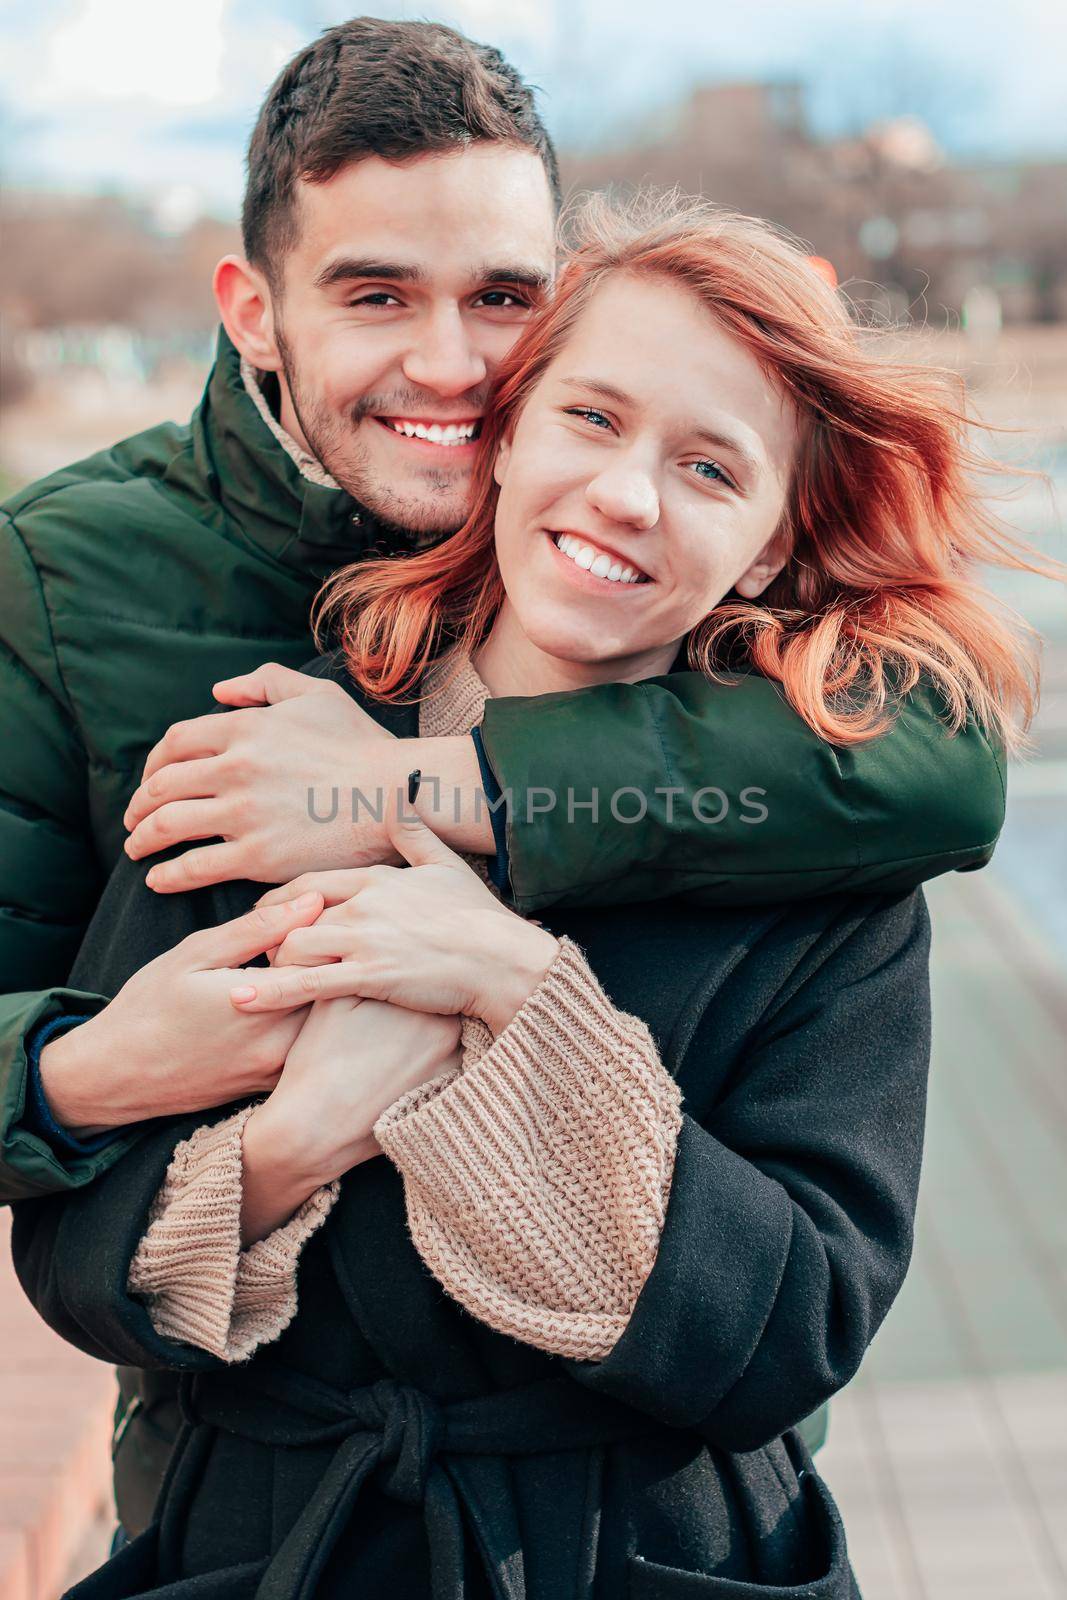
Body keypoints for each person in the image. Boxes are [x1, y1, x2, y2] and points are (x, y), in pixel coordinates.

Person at [0, 14, 1004, 1535]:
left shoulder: (806, 783)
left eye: (505, 303)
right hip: (256, 1524)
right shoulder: (146, 662)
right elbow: (85, 1260)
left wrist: (479, 927)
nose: (451, 366)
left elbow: (942, 775)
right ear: (254, 310)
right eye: (375, 292)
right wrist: (155, 1073)